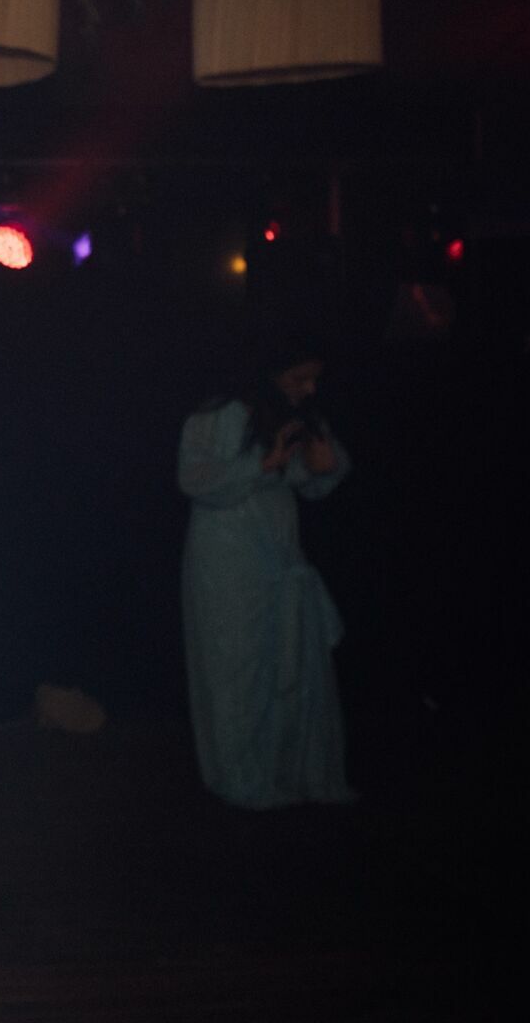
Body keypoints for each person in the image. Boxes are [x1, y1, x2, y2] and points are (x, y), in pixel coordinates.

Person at [177, 336, 354, 808]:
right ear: (271, 372)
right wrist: (262, 463)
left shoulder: (296, 415)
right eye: (300, 378)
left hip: (278, 550)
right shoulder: (217, 415)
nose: (309, 388)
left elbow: (310, 482)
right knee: (237, 669)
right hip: (226, 560)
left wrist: (323, 468)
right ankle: (240, 779)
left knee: (286, 666)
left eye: (314, 379)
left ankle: (287, 773)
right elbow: (194, 478)